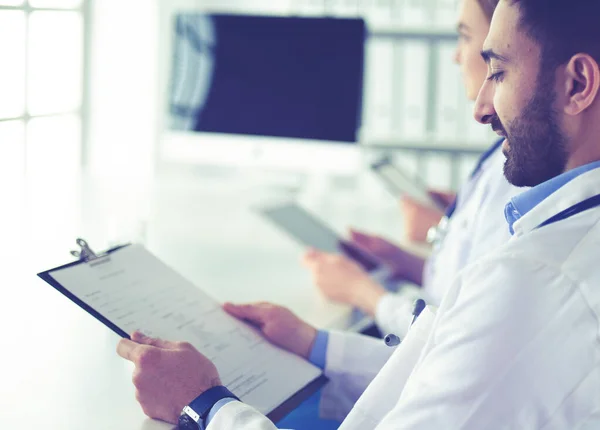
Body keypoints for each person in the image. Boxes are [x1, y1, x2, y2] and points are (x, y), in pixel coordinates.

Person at [117, 0, 600, 427]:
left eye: (498, 72)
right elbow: (448, 369)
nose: (479, 109)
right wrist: (315, 344)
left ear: (578, 84)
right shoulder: (556, 249)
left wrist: (203, 404)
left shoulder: (534, 280)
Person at [304, 0, 522, 337]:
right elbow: (465, 283)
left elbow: (456, 333)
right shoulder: (505, 154)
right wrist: (398, 260)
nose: (455, 56)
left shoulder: (521, 175)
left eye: (465, 37)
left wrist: (361, 292)